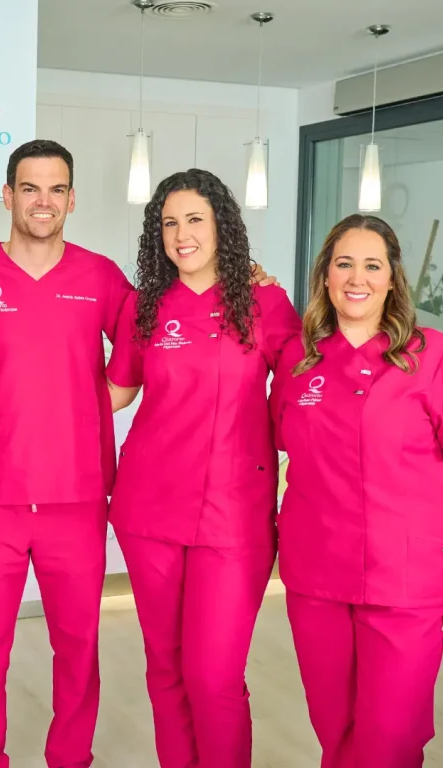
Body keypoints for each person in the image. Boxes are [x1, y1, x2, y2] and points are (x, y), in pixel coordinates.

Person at [0, 142, 279, 768]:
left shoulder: (102, 280)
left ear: (71, 199)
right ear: (8, 196)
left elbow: (153, 347)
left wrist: (243, 273)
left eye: (56, 189)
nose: (43, 201)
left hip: (78, 495)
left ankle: (71, 758)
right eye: (29, 189)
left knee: (78, 650)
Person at [269, 214, 443, 767]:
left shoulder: (434, 356)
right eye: (344, 263)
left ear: (392, 279)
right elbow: (280, 456)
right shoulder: (297, 362)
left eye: (373, 265)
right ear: (325, 276)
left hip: (408, 579)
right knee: (335, 732)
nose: (358, 278)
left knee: (389, 741)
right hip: (316, 577)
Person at [106, 169, 300, 768]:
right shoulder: (144, 306)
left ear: (224, 227)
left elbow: (304, 392)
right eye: (169, 222)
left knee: (213, 677)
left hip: (234, 518)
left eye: (195, 220)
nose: (181, 234)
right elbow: (111, 394)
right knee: (164, 671)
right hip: (147, 512)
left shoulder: (265, 302)